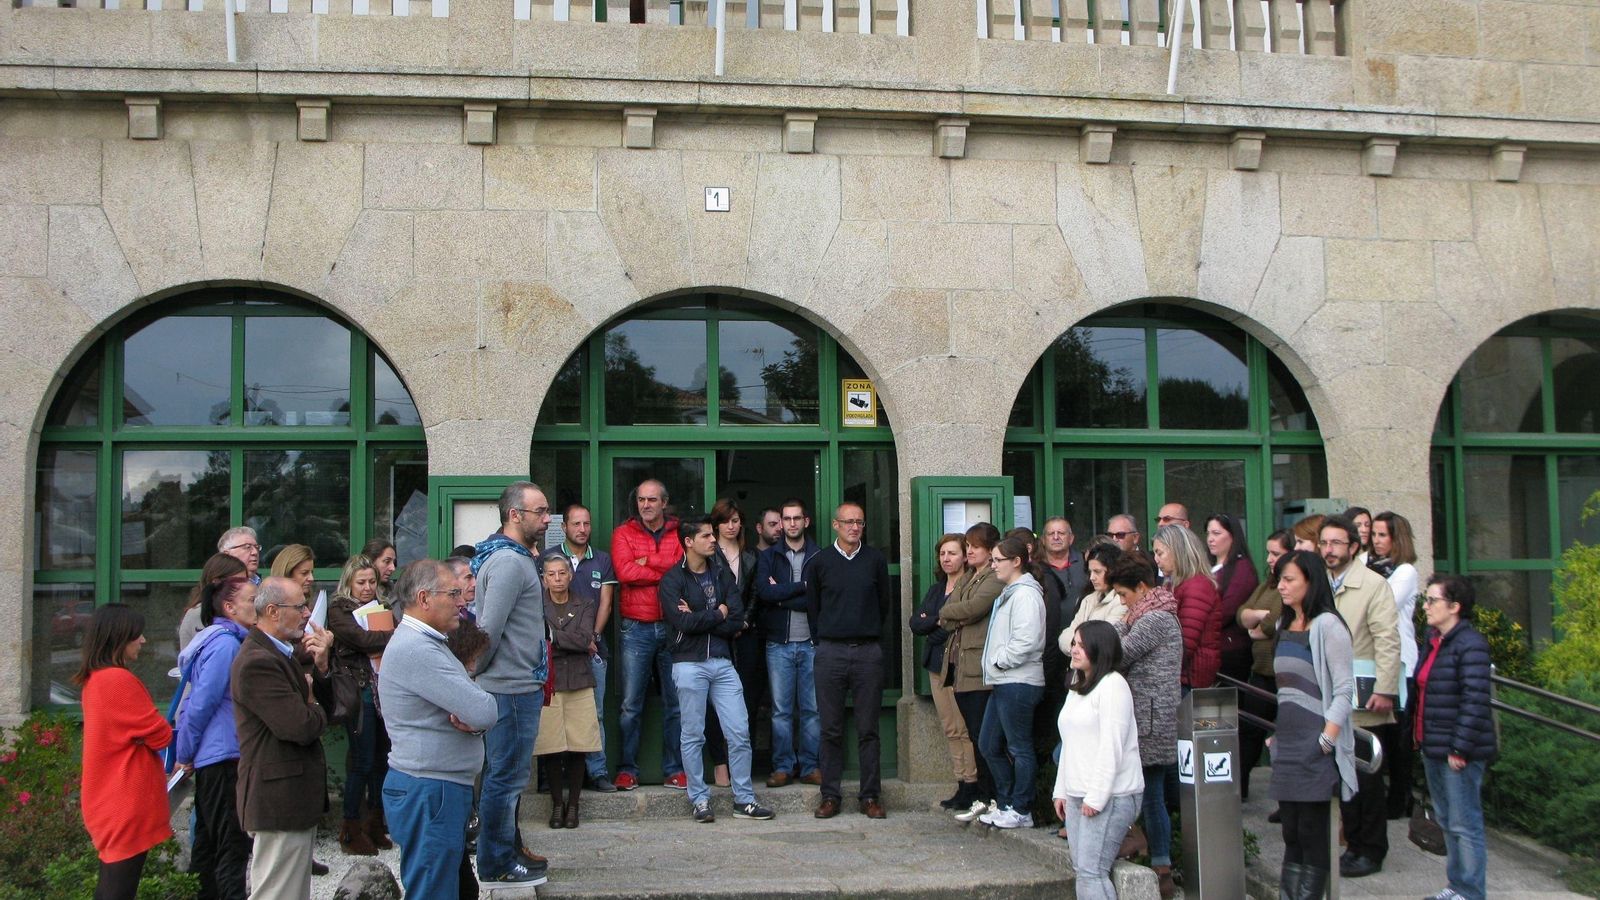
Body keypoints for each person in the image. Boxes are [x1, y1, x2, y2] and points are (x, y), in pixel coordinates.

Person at [379, 559, 497, 899]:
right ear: (424, 598)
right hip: (430, 789)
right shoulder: (417, 649)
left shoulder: (433, 643)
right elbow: (484, 710)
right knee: (434, 891)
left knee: (453, 887)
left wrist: (473, 723)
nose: (462, 602)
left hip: (437, 787)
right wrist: (476, 717)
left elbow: (474, 713)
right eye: (453, 593)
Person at [659, 517, 777, 824]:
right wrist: (716, 613)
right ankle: (699, 799)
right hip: (688, 664)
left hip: (723, 663)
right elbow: (681, 623)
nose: (714, 540)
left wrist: (703, 615)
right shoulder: (672, 580)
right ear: (688, 541)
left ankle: (744, 799)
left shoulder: (722, 575)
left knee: (739, 732)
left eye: (713, 535)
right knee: (693, 735)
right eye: (707, 535)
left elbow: (736, 619)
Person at [231, 576, 337, 900]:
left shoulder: (282, 652)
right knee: (277, 894)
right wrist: (310, 701)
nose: (307, 614)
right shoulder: (257, 661)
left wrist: (321, 669)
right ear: (274, 611)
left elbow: (326, 714)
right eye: (300, 606)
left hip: (290, 797)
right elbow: (300, 727)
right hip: (277, 799)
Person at [470, 481, 553, 888]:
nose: (548, 518)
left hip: (516, 683)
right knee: (505, 778)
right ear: (515, 515)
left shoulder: (513, 558)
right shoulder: (507, 563)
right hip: (509, 687)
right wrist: (475, 675)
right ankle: (496, 863)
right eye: (540, 511)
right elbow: (487, 631)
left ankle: (510, 849)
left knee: (508, 777)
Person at [1269, 550, 1356, 900]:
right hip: (1288, 742)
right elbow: (1285, 689)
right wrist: (1277, 736)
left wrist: (1327, 739)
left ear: (1310, 580)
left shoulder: (1328, 625)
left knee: (1312, 830)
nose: (1281, 586)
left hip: (1315, 742)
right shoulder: (1284, 624)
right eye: (1280, 579)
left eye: (1289, 579)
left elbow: (1345, 688)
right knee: (1291, 830)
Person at [1320, 515, 1400, 879]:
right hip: (1331, 696)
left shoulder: (1372, 584)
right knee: (1343, 775)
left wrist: (1386, 688)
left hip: (1365, 698)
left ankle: (1370, 849)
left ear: (1354, 546)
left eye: (1337, 543)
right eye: (1324, 543)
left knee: (1366, 779)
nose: (1329, 550)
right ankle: (1352, 844)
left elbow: (1387, 638)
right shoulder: (1318, 580)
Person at [78, 604, 173, 900]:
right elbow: (161, 734)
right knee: (117, 891)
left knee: (113, 887)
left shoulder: (96, 679)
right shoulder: (117, 680)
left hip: (109, 801)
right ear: (119, 637)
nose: (143, 640)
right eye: (137, 634)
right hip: (123, 802)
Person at [808, 501, 892, 820]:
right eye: (848, 522)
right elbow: (814, 608)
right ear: (835, 525)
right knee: (830, 728)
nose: (854, 527)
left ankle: (870, 796)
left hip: (868, 652)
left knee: (868, 729)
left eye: (859, 522)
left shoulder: (874, 560)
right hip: (830, 652)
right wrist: (825, 641)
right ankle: (830, 795)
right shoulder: (820, 562)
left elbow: (883, 604)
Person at [174, 577, 257, 900]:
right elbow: (200, 703)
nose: (258, 605)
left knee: (209, 844)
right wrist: (185, 753)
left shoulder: (224, 640)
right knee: (231, 847)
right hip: (223, 756)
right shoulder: (226, 645)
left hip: (217, 754)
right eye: (251, 600)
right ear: (229, 607)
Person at [1107, 552, 1182, 900]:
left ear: (1141, 587)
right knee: (1147, 792)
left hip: (1151, 718)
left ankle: (1161, 865)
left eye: (1124, 594)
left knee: (1150, 794)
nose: (1122, 602)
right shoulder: (1144, 614)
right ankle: (1150, 853)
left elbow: (1116, 654)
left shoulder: (1154, 620)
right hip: (1146, 715)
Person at [1415, 575, 1496, 900]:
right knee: (1447, 821)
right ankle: (1456, 885)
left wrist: (1460, 747)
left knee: (1465, 823)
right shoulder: (1433, 639)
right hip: (1433, 744)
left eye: (1432, 600)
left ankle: (1471, 890)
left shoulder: (1470, 643)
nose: (1426, 606)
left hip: (1457, 750)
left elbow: (1475, 699)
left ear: (1455, 606)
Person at [1054, 620, 1144, 900]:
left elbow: (1112, 747)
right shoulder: (1077, 685)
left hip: (1112, 795)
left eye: (1082, 645)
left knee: (1092, 873)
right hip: (1078, 793)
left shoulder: (1114, 686)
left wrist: (1097, 797)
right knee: (1083, 869)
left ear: (1100, 648)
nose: (1075, 650)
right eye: (1074, 644)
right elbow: (1069, 742)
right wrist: (1062, 791)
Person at [611, 478, 687, 791]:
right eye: (641, 500)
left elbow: (683, 569)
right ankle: (628, 769)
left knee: (676, 704)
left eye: (652, 500)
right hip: (636, 627)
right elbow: (625, 572)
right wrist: (664, 571)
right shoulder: (623, 533)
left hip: (673, 627)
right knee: (631, 704)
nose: (646, 505)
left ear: (664, 503)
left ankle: (673, 769)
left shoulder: (680, 532)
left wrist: (647, 563)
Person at [975, 534, 1047, 830]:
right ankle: (1005, 803)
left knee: (1019, 747)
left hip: (1019, 681)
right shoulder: (1011, 591)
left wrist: (999, 660)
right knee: (988, 744)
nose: (993, 566)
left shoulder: (1026, 594)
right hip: (1005, 680)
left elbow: (1026, 640)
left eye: (998, 560)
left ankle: (1021, 808)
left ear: (1017, 562)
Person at [325, 554, 394, 856]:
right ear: (349, 582)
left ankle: (375, 822)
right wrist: (392, 635)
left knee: (382, 757)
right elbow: (361, 639)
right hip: (357, 690)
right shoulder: (339, 608)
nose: (367, 588)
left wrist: (384, 636)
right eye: (361, 582)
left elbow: (373, 639)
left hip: (382, 689)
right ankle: (350, 826)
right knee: (362, 760)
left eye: (371, 582)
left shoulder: (382, 606)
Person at [754, 497, 822, 788]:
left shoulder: (820, 556)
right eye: (787, 518)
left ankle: (810, 766)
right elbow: (764, 594)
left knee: (812, 710)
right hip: (778, 644)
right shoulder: (768, 556)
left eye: (797, 518)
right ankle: (782, 766)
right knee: (781, 711)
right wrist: (801, 588)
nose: (792, 523)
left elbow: (820, 598)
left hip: (811, 643)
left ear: (805, 522)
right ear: (780, 523)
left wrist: (782, 594)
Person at [938, 522, 1004, 823]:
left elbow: (973, 609)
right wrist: (952, 613)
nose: (969, 550)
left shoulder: (993, 577)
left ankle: (993, 797)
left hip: (979, 670)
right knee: (974, 736)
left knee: (983, 736)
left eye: (974, 546)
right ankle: (981, 796)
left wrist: (951, 613)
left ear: (991, 551)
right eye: (968, 545)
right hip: (960, 667)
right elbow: (951, 607)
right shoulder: (971, 576)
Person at [909, 533, 978, 810]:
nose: (947, 558)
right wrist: (939, 621)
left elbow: (956, 626)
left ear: (964, 556)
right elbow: (916, 623)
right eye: (942, 554)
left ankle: (972, 785)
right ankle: (960, 783)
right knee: (950, 728)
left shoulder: (969, 586)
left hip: (958, 666)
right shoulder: (937, 590)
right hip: (936, 665)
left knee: (963, 729)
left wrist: (935, 624)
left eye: (952, 553)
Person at [534, 553, 603, 828]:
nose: (557, 579)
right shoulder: (536, 605)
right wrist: (564, 641)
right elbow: (536, 640)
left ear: (570, 575)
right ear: (544, 579)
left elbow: (585, 638)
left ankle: (573, 806)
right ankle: (556, 805)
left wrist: (552, 637)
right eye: (551, 574)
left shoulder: (585, 603)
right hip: (549, 680)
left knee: (579, 745)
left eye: (562, 573)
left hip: (578, 678)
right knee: (551, 746)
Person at [558, 503, 619, 793]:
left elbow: (606, 602)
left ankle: (597, 772)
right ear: (564, 527)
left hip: (594, 648)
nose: (582, 530)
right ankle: (557, 776)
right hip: (558, 650)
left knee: (594, 713)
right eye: (576, 524)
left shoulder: (602, 560)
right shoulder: (550, 558)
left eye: (587, 524)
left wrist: (592, 636)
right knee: (557, 713)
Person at [705, 498, 763, 789]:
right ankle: (720, 764)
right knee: (714, 703)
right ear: (716, 524)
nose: (732, 525)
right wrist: (724, 624)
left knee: (747, 701)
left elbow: (754, 594)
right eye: (726, 520)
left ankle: (743, 764)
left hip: (746, 635)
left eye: (736, 520)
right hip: (716, 636)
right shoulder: (707, 555)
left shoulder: (751, 555)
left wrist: (744, 622)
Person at [1371, 510, 1422, 819]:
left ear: (1396, 538)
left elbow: (1383, 603)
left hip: (1401, 661)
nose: (1376, 541)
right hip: (1375, 660)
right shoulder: (1370, 567)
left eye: (1382, 535)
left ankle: (1402, 797)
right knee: (1380, 733)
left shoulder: (1405, 571)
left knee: (1398, 737)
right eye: (1373, 535)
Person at [1236, 528, 1291, 801]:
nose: (1270, 559)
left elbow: (1271, 625)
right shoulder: (1268, 584)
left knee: (1284, 736)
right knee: (1249, 732)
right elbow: (1242, 614)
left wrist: (1260, 624)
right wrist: (1257, 618)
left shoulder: (1290, 585)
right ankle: (1240, 787)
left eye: (1276, 553)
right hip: (1260, 669)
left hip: (1282, 673)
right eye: (1268, 552)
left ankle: (1286, 796)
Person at [1154, 524, 1223, 691]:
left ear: (1177, 551)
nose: (1156, 560)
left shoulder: (1197, 586)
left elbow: (1185, 642)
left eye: (1160, 553)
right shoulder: (1178, 584)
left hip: (1191, 679)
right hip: (1183, 676)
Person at [1205, 514, 1259, 682]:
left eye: (1216, 533)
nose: (1210, 539)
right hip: (1210, 648)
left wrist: (1200, 623)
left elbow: (1227, 609)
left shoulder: (1242, 569)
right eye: (1208, 533)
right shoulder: (1209, 567)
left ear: (1233, 536)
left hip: (1230, 650)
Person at [178, 553, 249, 653]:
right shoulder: (199, 613)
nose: (245, 587)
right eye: (238, 582)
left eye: (246, 581)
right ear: (217, 582)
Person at [1061, 543, 1126, 648]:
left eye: (1097, 572)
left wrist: (1076, 646)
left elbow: (1103, 641)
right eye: (1090, 572)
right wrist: (1081, 648)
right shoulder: (1089, 599)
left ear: (1113, 570)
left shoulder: (1122, 601)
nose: (1092, 577)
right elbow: (1064, 638)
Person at [1038, 517, 1087, 622]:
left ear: (1071, 538)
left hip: (1081, 631)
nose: (1056, 537)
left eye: (1061, 533)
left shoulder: (1085, 562)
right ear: (1043, 540)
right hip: (1047, 632)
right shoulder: (1036, 567)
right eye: (1051, 534)